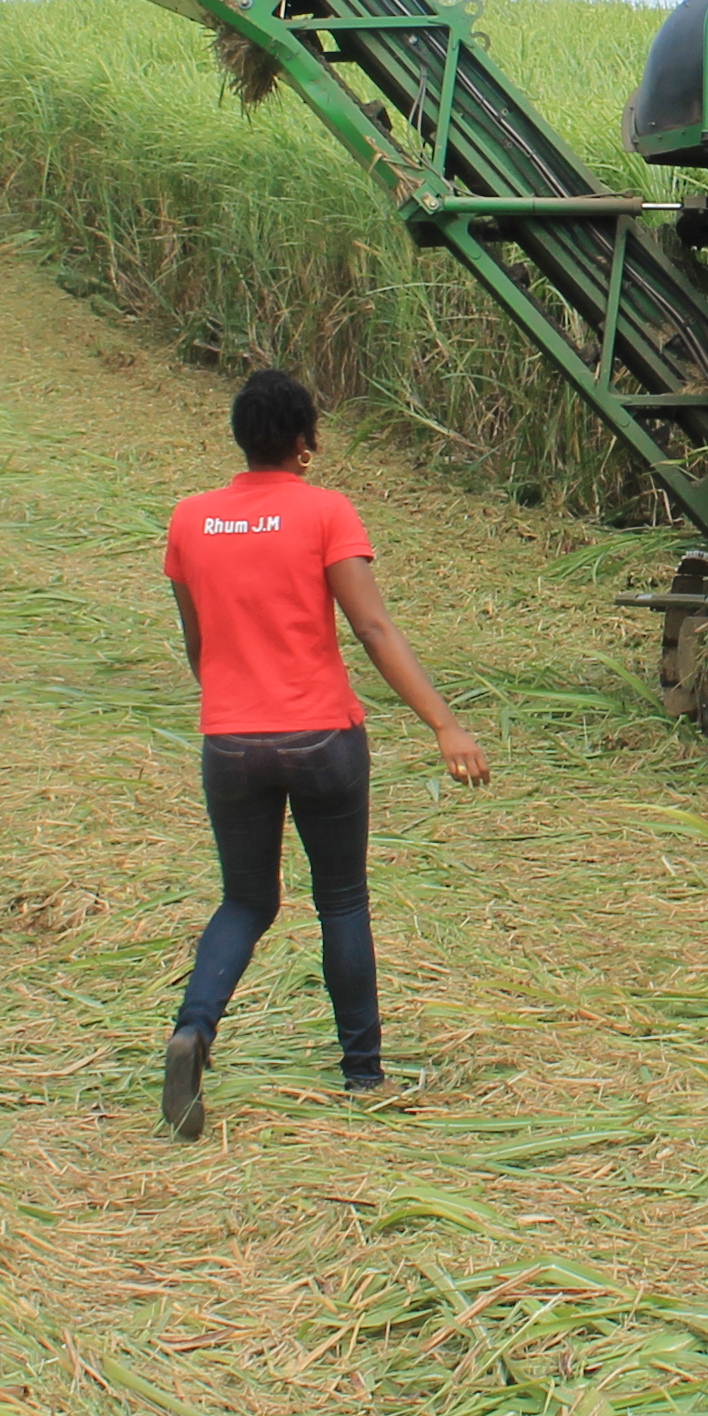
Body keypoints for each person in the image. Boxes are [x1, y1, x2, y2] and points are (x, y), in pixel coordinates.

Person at [157, 366, 488, 1138]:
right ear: (305, 444)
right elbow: (373, 630)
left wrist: (241, 701)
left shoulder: (190, 520)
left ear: (241, 438)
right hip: (321, 738)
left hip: (231, 740)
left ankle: (194, 1030)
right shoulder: (325, 513)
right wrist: (445, 723)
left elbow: (198, 643)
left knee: (246, 901)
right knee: (340, 899)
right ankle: (363, 1074)